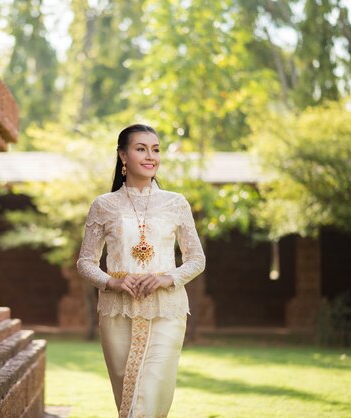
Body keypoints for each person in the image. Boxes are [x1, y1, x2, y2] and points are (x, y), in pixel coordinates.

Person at [76, 124, 206, 418]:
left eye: (156, 149)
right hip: (117, 312)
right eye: (141, 149)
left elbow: (196, 259)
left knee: (149, 394)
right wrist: (113, 283)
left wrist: (166, 278)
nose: (151, 156)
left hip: (166, 310)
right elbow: (85, 262)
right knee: (128, 397)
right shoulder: (104, 205)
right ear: (123, 156)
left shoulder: (176, 203)